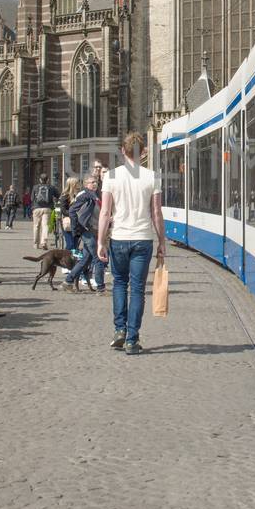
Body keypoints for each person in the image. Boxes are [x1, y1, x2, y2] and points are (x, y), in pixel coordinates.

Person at [97, 133, 166, 354]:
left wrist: (100, 241)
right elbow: (156, 212)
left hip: (119, 238)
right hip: (143, 238)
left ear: (122, 151)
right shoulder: (153, 176)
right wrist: (162, 241)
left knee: (119, 283)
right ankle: (132, 339)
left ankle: (120, 330)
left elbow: (106, 212)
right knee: (136, 289)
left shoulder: (111, 176)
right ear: (143, 152)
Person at [64, 175, 106, 291]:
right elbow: (72, 211)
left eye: (96, 182)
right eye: (92, 182)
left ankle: (68, 281)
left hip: (93, 230)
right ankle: (101, 288)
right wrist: (76, 229)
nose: (95, 184)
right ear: (86, 184)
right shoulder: (84, 194)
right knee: (98, 258)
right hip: (87, 231)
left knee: (85, 260)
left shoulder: (95, 194)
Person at [31, 174, 58, 250]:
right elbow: (58, 195)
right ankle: (44, 242)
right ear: (48, 179)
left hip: (36, 209)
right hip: (47, 209)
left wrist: (33, 207)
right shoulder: (51, 187)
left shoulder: (35, 187)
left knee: (36, 226)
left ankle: (36, 244)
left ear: (40, 179)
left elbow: (32, 198)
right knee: (45, 225)